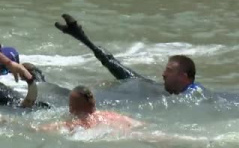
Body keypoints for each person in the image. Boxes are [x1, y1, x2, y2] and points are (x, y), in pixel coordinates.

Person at [55, 14, 205, 96]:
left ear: (184, 77)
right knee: (113, 66)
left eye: (170, 71)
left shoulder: (196, 95)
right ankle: (80, 35)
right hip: (149, 89)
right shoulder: (167, 90)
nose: (163, 74)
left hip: (148, 94)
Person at [39, 85, 142, 132]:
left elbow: (45, 128)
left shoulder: (78, 123)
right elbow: (141, 124)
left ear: (72, 107)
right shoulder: (113, 115)